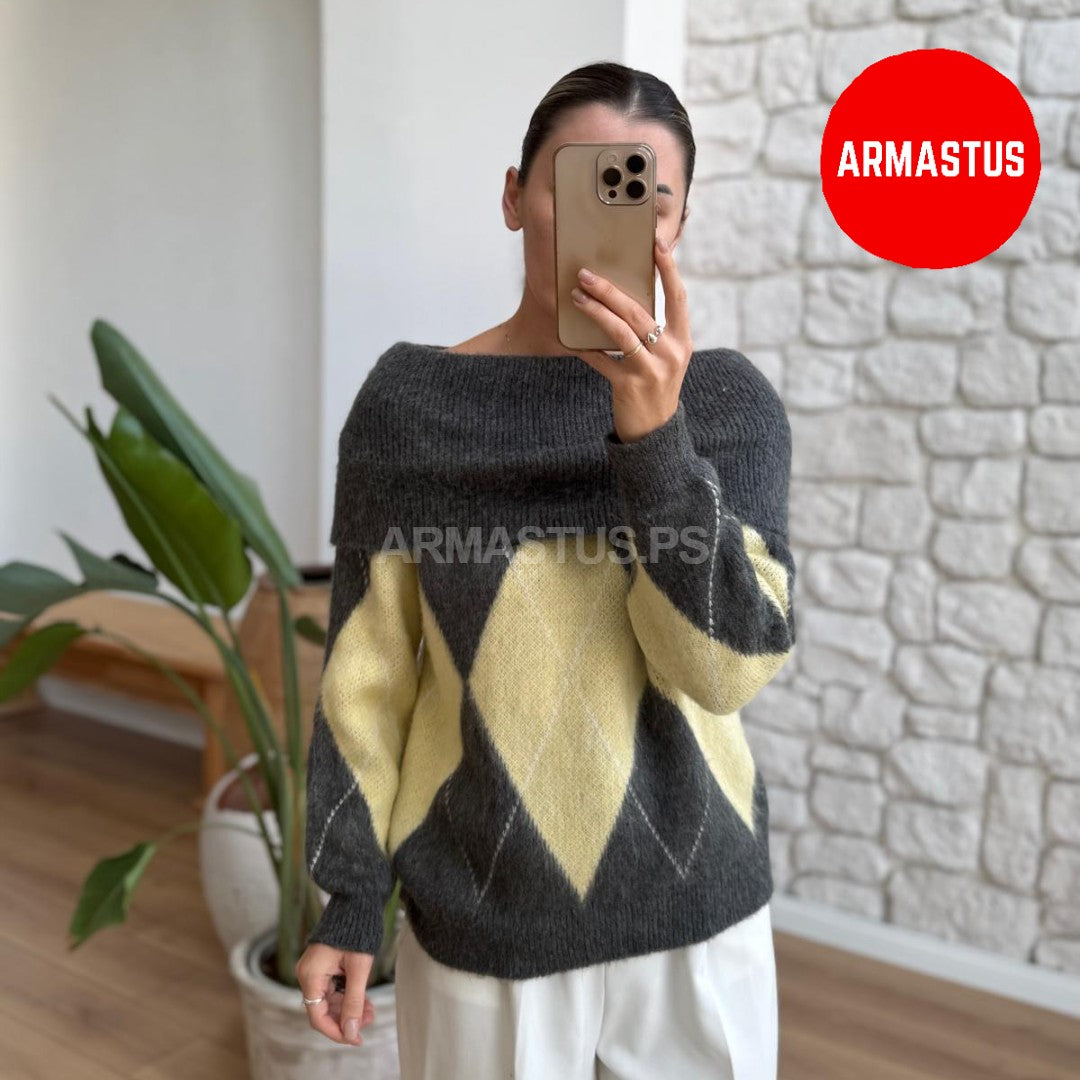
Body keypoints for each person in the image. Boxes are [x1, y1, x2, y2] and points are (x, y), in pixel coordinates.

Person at [295, 60, 796, 1080]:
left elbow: (721, 671)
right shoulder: (409, 410)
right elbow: (365, 680)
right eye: (578, 184)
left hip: (699, 920)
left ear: (678, 224)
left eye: (644, 196)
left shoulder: (728, 406)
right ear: (515, 196)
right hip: (486, 918)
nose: (605, 223)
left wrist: (655, 442)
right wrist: (348, 899)